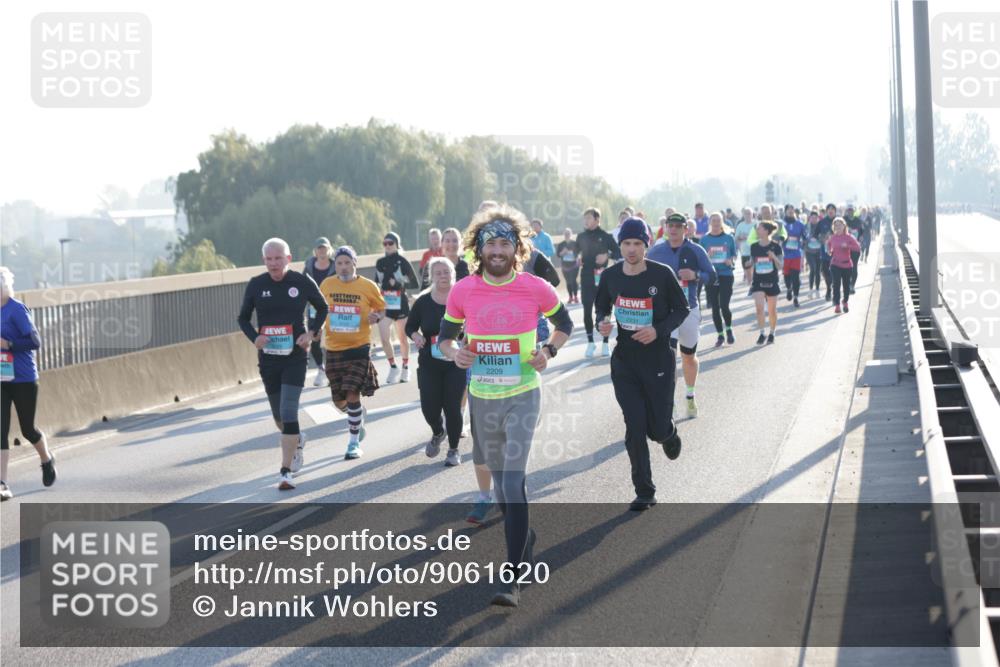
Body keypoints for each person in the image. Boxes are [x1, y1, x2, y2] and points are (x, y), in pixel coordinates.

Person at [437, 205, 573, 608]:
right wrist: (455, 353)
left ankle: (512, 577)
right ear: (478, 249)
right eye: (490, 244)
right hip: (483, 399)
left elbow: (565, 324)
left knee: (513, 483)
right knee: (501, 489)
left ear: (517, 248)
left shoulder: (535, 287)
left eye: (504, 244)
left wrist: (548, 350)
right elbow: (445, 338)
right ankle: (524, 537)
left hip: (523, 395)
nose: (497, 251)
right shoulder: (463, 290)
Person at [595, 220, 688, 511]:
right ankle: (645, 491)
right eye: (626, 244)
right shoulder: (610, 276)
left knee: (656, 429)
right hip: (625, 361)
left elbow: (681, 309)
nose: (632, 249)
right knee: (634, 426)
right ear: (620, 245)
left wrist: (658, 330)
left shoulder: (662, 274)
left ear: (646, 245)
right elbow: (601, 307)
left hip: (658, 359)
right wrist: (602, 323)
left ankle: (668, 433)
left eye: (637, 244)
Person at [238, 238, 328, 490]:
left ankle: (285, 472)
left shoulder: (301, 281)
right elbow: (243, 318)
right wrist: (255, 337)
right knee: (279, 417)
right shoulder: (257, 284)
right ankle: (297, 440)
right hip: (268, 360)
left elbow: (323, 307)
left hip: (295, 356)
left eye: (278, 258)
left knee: (289, 412)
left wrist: (311, 333)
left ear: (288, 259)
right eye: (269, 259)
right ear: (264, 260)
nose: (273, 263)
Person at [319, 246, 387, 459]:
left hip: (359, 348)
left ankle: (353, 443)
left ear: (354, 263)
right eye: (339, 263)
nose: (343, 267)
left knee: (352, 393)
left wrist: (377, 317)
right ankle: (356, 414)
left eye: (347, 262)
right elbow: (317, 309)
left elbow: (381, 308)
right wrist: (315, 327)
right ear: (335, 265)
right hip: (333, 348)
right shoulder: (327, 284)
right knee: (339, 401)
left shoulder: (368, 286)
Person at [648, 213, 716, 418]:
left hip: (689, 310)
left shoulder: (696, 250)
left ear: (686, 229)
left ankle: (690, 395)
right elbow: (642, 274)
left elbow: (712, 275)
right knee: (668, 357)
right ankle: (669, 402)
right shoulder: (656, 252)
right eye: (670, 225)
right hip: (665, 313)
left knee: (688, 356)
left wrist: (696, 275)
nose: (674, 229)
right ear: (666, 228)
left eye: (678, 226)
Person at [0, 267, 55, 501]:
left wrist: (9, 344)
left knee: (28, 430)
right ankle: (2, 483)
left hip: (23, 378)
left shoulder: (17, 309)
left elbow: (35, 341)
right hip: (2, 379)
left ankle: (46, 459)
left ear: (6, 286)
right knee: (0, 430)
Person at [406, 258, 465, 467]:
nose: (443, 276)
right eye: (438, 273)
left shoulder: (462, 298)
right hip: (429, 363)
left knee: (452, 407)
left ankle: (454, 450)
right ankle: (438, 432)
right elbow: (410, 327)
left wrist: (467, 338)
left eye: (446, 272)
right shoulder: (423, 302)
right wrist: (416, 336)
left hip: (456, 362)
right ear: (431, 277)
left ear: (453, 274)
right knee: (429, 408)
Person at [375, 232, 419, 383]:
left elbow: (414, 283)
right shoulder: (380, 262)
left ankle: (405, 367)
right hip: (386, 304)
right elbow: (376, 283)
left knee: (402, 338)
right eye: (385, 243)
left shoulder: (403, 261)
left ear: (397, 244)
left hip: (400, 304)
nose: (387, 246)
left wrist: (400, 282)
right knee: (384, 337)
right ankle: (393, 366)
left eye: (390, 243)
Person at [576, 207, 620, 358]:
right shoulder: (581, 236)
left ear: (597, 219)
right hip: (587, 277)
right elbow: (575, 252)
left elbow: (618, 252)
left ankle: (605, 343)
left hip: (603, 277)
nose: (586, 221)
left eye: (589, 218)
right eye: (585, 218)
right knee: (587, 309)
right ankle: (590, 342)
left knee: (605, 310)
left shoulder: (606, 236)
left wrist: (607, 256)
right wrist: (577, 258)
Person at [699, 212, 738, 346]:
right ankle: (720, 335)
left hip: (726, 274)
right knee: (715, 307)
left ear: (722, 222)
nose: (716, 223)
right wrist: (706, 259)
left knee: (724, 305)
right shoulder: (704, 239)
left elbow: (734, 255)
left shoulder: (729, 237)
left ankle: (729, 329)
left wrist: (730, 260)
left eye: (718, 220)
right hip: (711, 276)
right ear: (710, 222)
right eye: (713, 220)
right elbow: (701, 258)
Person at [304, 237, 336, 387]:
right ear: (315, 251)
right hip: (314, 308)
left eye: (324, 248)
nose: (322, 251)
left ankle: (331, 372)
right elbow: (302, 284)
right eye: (319, 249)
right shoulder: (309, 266)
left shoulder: (336, 265)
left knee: (331, 338)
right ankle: (321, 369)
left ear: (329, 250)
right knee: (315, 338)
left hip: (333, 306)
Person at [747, 221, 783, 344]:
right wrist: (748, 263)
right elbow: (752, 261)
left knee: (772, 310)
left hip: (772, 280)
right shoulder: (754, 246)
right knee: (759, 308)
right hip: (758, 281)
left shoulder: (776, 246)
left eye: (759, 229)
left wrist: (774, 257)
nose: (757, 231)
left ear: (767, 231)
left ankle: (772, 332)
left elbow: (780, 266)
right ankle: (762, 333)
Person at [827, 218, 862, 314]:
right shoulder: (833, 237)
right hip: (835, 264)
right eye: (836, 225)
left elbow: (858, 247)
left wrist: (847, 246)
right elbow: (828, 244)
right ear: (833, 227)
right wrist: (829, 250)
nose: (838, 227)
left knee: (846, 286)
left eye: (840, 225)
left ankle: (845, 301)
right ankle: (837, 305)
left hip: (847, 265)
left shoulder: (849, 237)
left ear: (844, 226)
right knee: (836, 284)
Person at [781, 204, 807, 307]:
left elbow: (805, 236)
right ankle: (789, 288)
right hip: (785, 254)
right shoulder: (782, 224)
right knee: (786, 276)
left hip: (796, 254)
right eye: (788, 209)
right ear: (785, 211)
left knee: (796, 277)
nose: (790, 211)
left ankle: (796, 297)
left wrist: (804, 242)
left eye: (792, 209)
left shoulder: (800, 224)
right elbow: (777, 236)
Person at [556, 228, 580, 304]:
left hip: (574, 265)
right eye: (565, 234)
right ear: (564, 234)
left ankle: (576, 296)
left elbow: (579, 252)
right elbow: (558, 255)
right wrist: (563, 252)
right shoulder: (561, 244)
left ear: (571, 234)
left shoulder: (575, 243)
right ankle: (570, 297)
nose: (567, 235)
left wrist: (572, 252)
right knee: (568, 281)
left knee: (573, 280)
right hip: (565, 266)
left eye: (568, 233)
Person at [844, 205, 864, 293]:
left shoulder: (858, 220)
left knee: (854, 266)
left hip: (855, 247)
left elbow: (862, 232)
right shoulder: (843, 220)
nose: (850, 212)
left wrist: (861, 238)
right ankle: (848, 284)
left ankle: (852, 285)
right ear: (847, 211)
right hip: (845, 248)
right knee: (846, 267)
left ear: (854, 211)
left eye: (851, 210)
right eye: (849, 210)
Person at [804, 211, 825, 295]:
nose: (814, 219)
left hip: (818, 251)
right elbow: (803, 238)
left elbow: (824, 237)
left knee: (817, 270)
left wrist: (819, 238)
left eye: (816, 218)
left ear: (818, 218)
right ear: (809, 218)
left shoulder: (821, 226)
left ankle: (817, 289)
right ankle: (810, 289)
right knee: (813, 269)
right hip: (809, 251)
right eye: (812, 218)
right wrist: (807, 240)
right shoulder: (806, 227)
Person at [734, 207, 755, 284]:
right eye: (746, 214)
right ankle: (750, 285)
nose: (748, 215)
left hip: (755, 251)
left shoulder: (756, 224)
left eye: (749, 213)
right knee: (748, 271)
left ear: (752, 214)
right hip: (744, 252)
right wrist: (740, 237)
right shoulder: (740, 225)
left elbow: (761, 236)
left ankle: (754, 286)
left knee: (755, 272)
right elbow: (736, 238)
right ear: (743, 215)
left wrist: (749, 237)